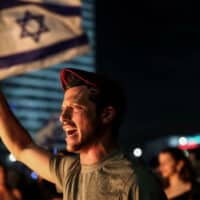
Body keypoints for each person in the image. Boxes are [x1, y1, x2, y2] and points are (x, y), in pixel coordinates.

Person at [0, 68, 167, 200]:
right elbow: (21, 147)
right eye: (63, 110)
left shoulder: (136, 182)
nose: (63, 118)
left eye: (75, 108)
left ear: (106, 114)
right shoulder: (71, 171)